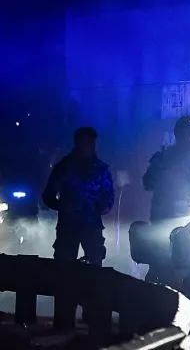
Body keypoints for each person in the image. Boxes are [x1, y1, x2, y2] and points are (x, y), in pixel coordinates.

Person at [42, 127, 115, 329]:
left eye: (90, 142)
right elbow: (48, 195)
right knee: (65, 272)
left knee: (94, 271)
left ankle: (93, 317)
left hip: (91, 226)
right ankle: (64, 319)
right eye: (84, 142)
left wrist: (103, 206)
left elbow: (109, 197)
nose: (87, 146)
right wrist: (62, 206)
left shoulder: (100, 169)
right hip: (69, 226)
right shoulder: (65, 167)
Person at [143, 115, 190, 222]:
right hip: (167, 215)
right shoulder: (164, 158)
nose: (189, 138)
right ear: (178, 135)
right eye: (184, 134)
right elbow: (148, 184)